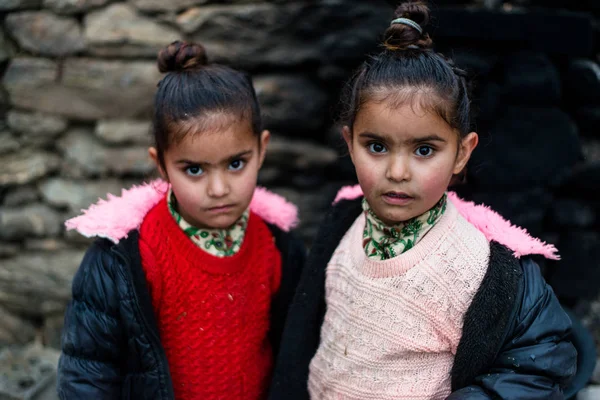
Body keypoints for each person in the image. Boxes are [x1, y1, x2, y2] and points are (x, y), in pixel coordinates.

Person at [268, 2, 577, 399]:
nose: (398, 171)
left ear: (462, 153)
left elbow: (540, 363)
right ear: (349, 143)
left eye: (424, 150)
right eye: (377, 146)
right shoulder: (344, 221)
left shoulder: (476, 266)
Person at [57, 40, 305, 400]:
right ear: (161, 165)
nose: (219, 189)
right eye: (193, 169)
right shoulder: (126, 261)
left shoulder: (277, 246)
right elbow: (88, 372)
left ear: (262, 149)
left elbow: (294, 353)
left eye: (236, 163)